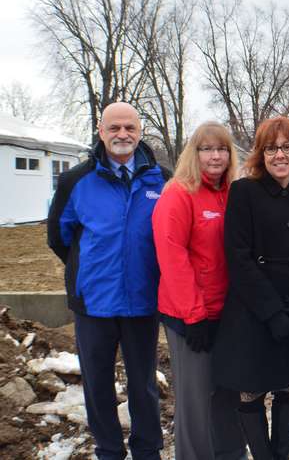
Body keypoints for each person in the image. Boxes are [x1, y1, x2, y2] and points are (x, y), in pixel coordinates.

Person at [47, 102, 167, 460]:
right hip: (94, 302)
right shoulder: (76, 181)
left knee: (144, 384)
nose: (122, 135)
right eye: (114, 128)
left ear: (140, 131)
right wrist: (88, 269)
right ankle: (109, 450)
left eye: (129, 127)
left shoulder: (162, 178)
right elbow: (59, 236)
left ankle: (147, 450)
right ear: (101, 131)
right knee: (97, 384)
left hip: (144, 300)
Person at [211, 116, 289, 460]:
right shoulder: (244, 192)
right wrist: (272, 312)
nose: (280, 155)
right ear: (261, 154)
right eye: (272, 148)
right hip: (254, 313)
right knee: (252, 391)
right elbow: (239, 257)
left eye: (287, 147)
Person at [152, 121, 245, 460]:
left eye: (222, 149)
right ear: (195, 153)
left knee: (227, 393)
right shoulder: (179, 193)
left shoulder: (233, 191)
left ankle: (230, 454)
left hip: (227, 314)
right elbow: (172, 257)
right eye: (207, 149)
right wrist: (194, 315)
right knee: (195, 400)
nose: (215, 155)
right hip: (189, 317)